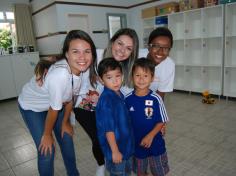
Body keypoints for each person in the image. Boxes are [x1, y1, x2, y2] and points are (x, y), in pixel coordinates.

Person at [18, 29, 97, 176]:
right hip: (32, 106)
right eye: (75, 51)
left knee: (66, 139)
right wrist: (47, 135)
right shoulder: (60, 75)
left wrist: (66, 122)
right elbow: (54, 109)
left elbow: (70, 98)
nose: (82, 57)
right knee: (47, 151)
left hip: (56, 105)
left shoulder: (84, 70)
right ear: (67, 54)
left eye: (87, 51)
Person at [73, 28, 139, 176]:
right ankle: (103, 163)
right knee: (99, 136)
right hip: (85, 105)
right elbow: (72, 60)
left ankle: (113, 159)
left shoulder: (126, 67)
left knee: (117, 133)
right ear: (112, 41)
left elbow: (126, 93)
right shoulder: (94, 55)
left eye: (128, 48)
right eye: (120, 43)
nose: (122, 51)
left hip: (108, 104)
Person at [125, 58, 170, 176]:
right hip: (137, 146)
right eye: (137, 75)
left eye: (145, 75)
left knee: (159, 172)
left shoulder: (156, 98)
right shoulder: (127, 99)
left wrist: (150, 136)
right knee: (140, 172)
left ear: (152, 77)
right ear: (132, 77)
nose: (141, 79)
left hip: (156, 145)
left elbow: (162, 121)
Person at [96, 57, 134, 176]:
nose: (115, 81)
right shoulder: (107, 100)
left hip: (126, 147)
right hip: (116, 150)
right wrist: (115, 151)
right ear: (101, 80)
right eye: (109, 77)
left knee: (127, 172)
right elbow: (109, 129)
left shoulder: (119, 94)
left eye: (118, 76)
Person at [147, 27, 175, 100]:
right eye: (156, 46)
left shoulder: (169, 65)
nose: (160, 52)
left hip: (148, 98)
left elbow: (160, 94)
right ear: (149, 46)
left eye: (166, 48)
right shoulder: (137, 56)